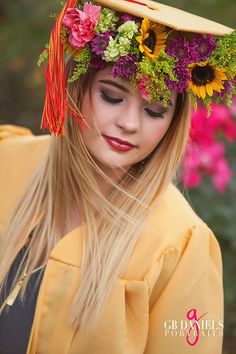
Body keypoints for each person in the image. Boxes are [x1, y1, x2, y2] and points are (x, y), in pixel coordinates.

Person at [0, 0, 235, 353]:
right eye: (112, 96)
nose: (129, 123)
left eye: (155, 109)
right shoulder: (8, 161)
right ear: (78, 87)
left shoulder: (180, 246)